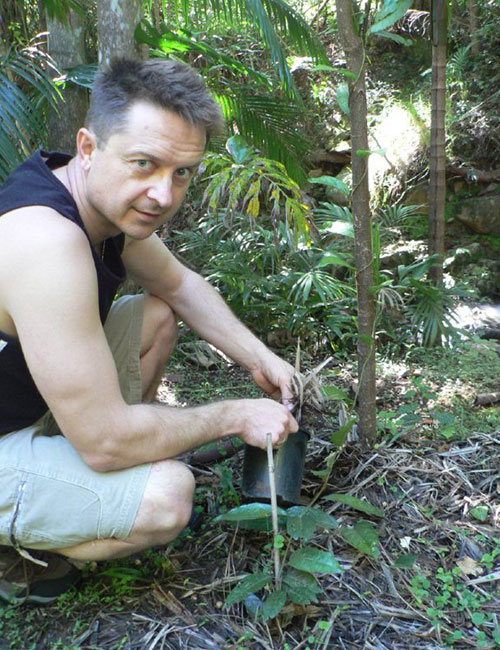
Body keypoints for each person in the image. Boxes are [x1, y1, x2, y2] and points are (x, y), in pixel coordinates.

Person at [0, 58, 298, 603]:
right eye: (145, 164)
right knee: (166, 496)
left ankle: (73, 471)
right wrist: (234, 415)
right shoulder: (46, 243)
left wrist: (260, 359)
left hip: (22, 393)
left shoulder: (99, 202)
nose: (163, 195)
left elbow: (180, 285)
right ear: (88, 148)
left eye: (181, 172)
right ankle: (19, 556)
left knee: (157, 313)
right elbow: (107, 444)